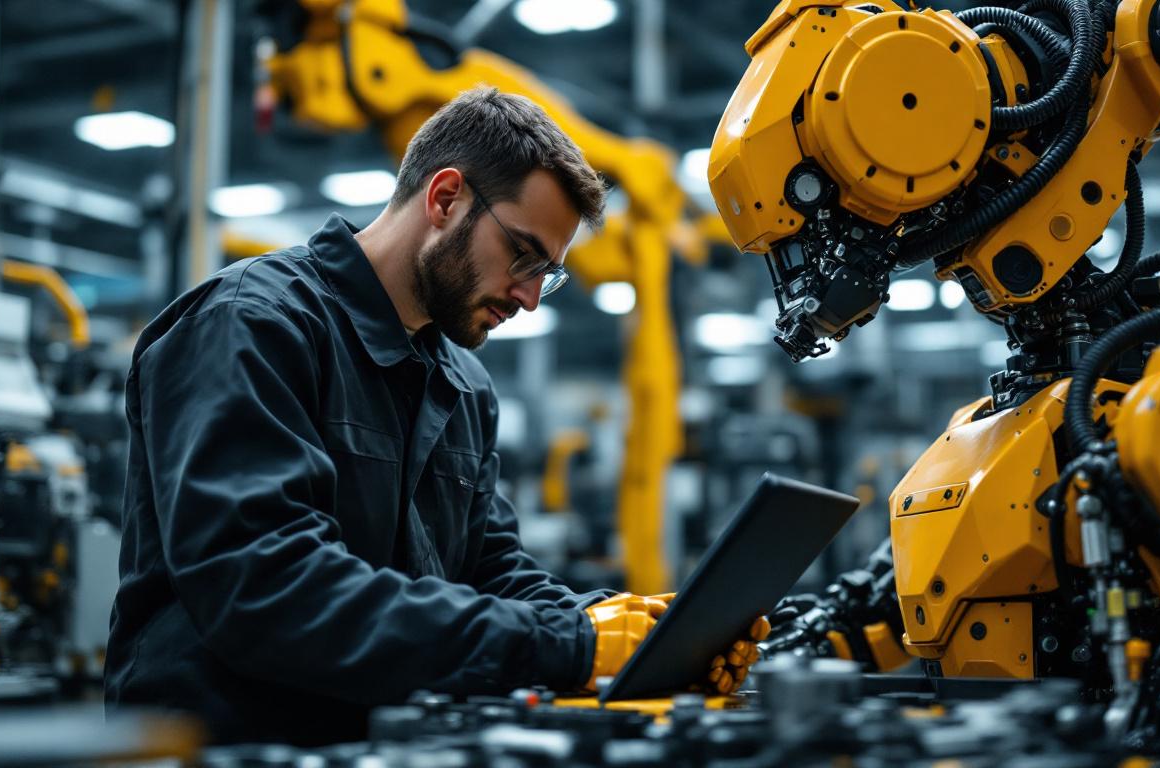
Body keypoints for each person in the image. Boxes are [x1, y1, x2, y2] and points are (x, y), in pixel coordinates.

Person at [105, 87, 761, 746]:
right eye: (525, 256)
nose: (531, 298)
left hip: (376, 745)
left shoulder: (463, 385)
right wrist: (569, 644)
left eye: (549, 274)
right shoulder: (252, 326)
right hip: (222, 746)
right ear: (445, 199)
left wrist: (621, 624)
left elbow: (489, 570)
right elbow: (267, 588)